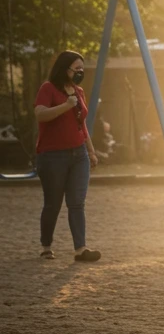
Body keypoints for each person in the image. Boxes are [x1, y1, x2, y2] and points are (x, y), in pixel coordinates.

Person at [33, 51, 100, 261]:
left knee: (77, 202)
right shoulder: (48, 88)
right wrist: (65, 106)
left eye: (82, 68)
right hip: (53, 155)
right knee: (53, 203)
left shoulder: (79, 91)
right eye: (76, 68)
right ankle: (46, 245)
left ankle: (81, 249)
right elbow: (40, 114)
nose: (80, 72)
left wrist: (90, 150)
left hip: (79, 153)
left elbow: (81, 124)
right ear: (65, 68)